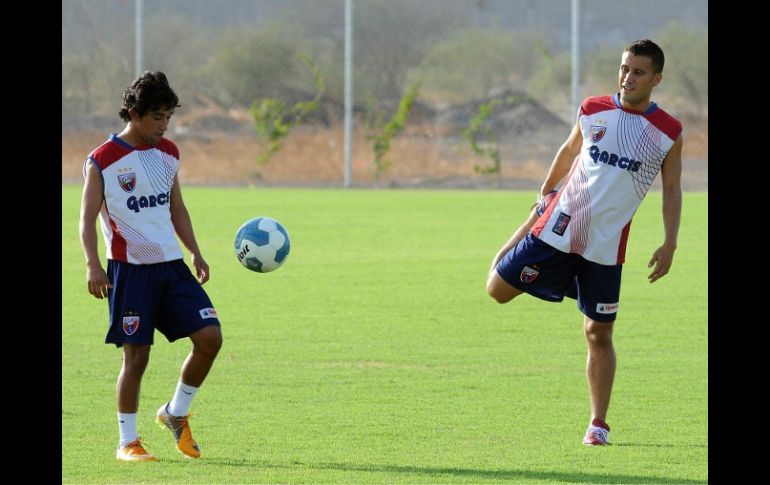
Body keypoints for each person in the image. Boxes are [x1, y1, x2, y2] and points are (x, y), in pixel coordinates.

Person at [486, 39, 682, 446]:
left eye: (638, 72)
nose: (628, 77)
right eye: (624, 68)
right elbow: (570, 149)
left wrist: (670, 242)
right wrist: (545, 191)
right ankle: (531, 223)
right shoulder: (593, 109)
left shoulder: (668, 132)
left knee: (598, 333)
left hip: (605, 250)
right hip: (556, 233)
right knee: (496, 291)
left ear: (657, 79)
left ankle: (598, 425)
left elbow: (672, 190)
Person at [79, 71, 223, 461]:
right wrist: (94, 265)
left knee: (210, 338)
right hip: (130, 271)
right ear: (133, 113)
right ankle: (127, 441)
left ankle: (175, 413)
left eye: (168, 118)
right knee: (137, 357)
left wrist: (194, 250)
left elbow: (176, 207)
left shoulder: (169, 154)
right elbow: (87, 218)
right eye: (156, 117)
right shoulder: (102, 159)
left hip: (172, 267)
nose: (163, 125)